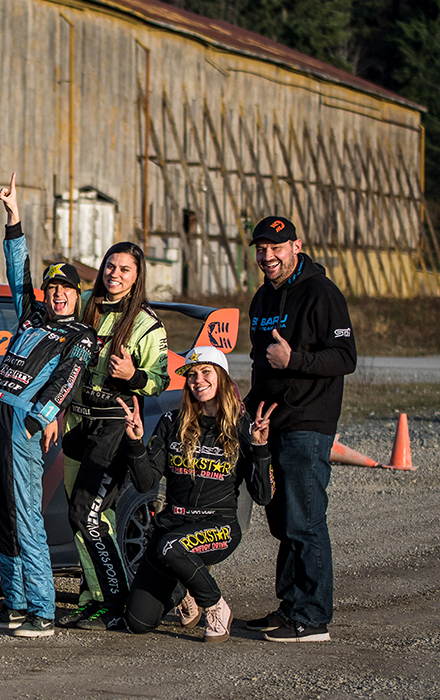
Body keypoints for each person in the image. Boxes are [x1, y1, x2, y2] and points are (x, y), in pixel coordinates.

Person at [0, 173, 96, 638]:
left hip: (20, 422)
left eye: (66, 288)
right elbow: (17, 271)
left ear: (78, 294)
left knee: (25, 516)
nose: (58, 294)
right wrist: (13, 216)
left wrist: (39, 418)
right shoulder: (33, 315)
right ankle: (15, 603)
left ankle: (43, 610)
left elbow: (67, 380)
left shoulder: (80, 335)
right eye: (52, 288)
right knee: (0, 514)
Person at [243, 215, 356, 643]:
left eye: (276, 247)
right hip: (271, 423)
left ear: (296, 246)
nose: (268, 256)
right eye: (261, 249)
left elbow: (345, 357)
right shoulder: (262, 298)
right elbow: (260, 363)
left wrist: (295, 361)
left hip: (308, 422)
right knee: (283, 521)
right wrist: (246, 409)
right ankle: (290, 607)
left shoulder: (322, 293)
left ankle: (312, 617)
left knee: (305, 520)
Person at [119, 346, 275, 642]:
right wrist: (136, 444)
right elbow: (145, 483)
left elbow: (263, 496)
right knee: (137, 621)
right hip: (172, 526)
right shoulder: (171, 421)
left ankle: (215, 605)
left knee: (170, 548)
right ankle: (184, 590)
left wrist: (260, 449)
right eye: (191, 375)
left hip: (218, 526)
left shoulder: (242, 427)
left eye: (206, 372)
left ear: (222, 378)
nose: (197, 380)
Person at [59, 241, 169, 631]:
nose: (115, 274)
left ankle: (116, 601)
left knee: (85, 513)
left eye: (125, 269)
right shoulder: (86, 304)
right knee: (87, 518)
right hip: (77, 424)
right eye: (110, 266)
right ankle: (93, 598)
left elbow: (160, 381)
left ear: (137, 276)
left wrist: (133, 376)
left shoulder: (147, 324)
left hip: (114, 430)